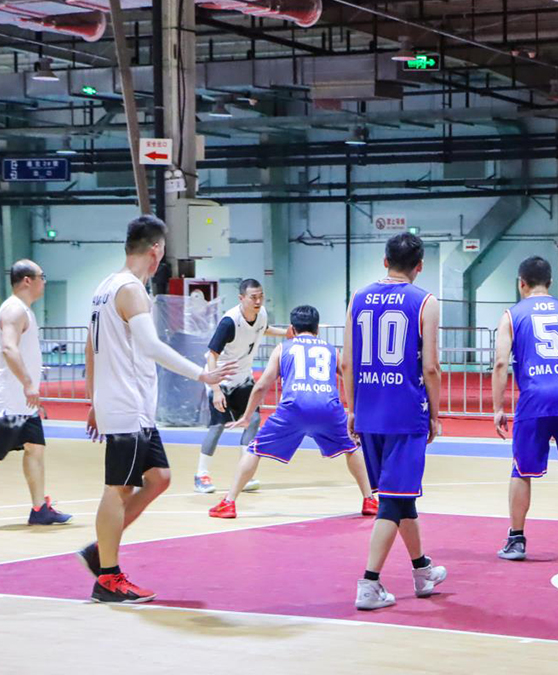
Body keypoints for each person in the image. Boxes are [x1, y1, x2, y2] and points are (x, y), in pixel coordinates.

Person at [77, 215, 235, 604]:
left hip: (125, 404)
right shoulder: (131, 290)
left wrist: (94, 399)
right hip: (127, 404)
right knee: (118, 487)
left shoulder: (104, 287)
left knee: (159, 477)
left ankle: (101, 549)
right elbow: (150, 347)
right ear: (156, 250)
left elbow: (90, 347)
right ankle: (108, 577)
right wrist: (202, 374)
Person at [343, 232, 446, 610]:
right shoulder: (425, 302)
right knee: (392, 500)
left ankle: (422, 570)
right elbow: (430, 366)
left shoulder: (358, 297)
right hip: (405, 412)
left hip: (369, 411)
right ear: (420, 266)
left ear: (385, 261)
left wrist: (351, 408)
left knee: (399, 496)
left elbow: (346, 362)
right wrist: (435, 413)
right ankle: (369, 583)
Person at [208, 305, 378, 518]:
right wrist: (359, 409)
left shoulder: (282, 348)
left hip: (293, 408)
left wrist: (247, 415)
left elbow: (261, 386)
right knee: (351, 448)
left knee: (254, 450)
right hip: (328, 408)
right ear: (317, 329)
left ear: (292, 329)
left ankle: (229, 502)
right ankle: (369, 499)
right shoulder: (331, 350)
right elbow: (350, 377)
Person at [491, 256, 558, 561]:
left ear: (521, 283)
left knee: (521, 470)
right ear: (550, 283)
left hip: (535, 396)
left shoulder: (512, 316)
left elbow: (500, 363)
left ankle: (516, 540)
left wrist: (498, 407)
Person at [194, 279, 289, 494]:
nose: (258, 301)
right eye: (253, 297)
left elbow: (263, 329)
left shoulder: (261, 314)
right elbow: (211, 356)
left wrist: (286, 333)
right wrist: (216, 390)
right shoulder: (229, 322)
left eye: (260, 296)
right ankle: (201, 474)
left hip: (243, 378)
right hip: (221, 379)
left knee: (253, 420)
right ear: (241, 298)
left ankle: (244, 475)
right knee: (218, 427)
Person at [0, 259, 72, 525]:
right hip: (9, 402)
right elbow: (8, 348)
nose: (45, 281)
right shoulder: (13, 309)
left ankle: (39, 508)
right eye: (42, 276)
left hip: (24, 405)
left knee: (35, 448)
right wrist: (28, 383)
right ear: (27, 280)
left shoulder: (24, 311)